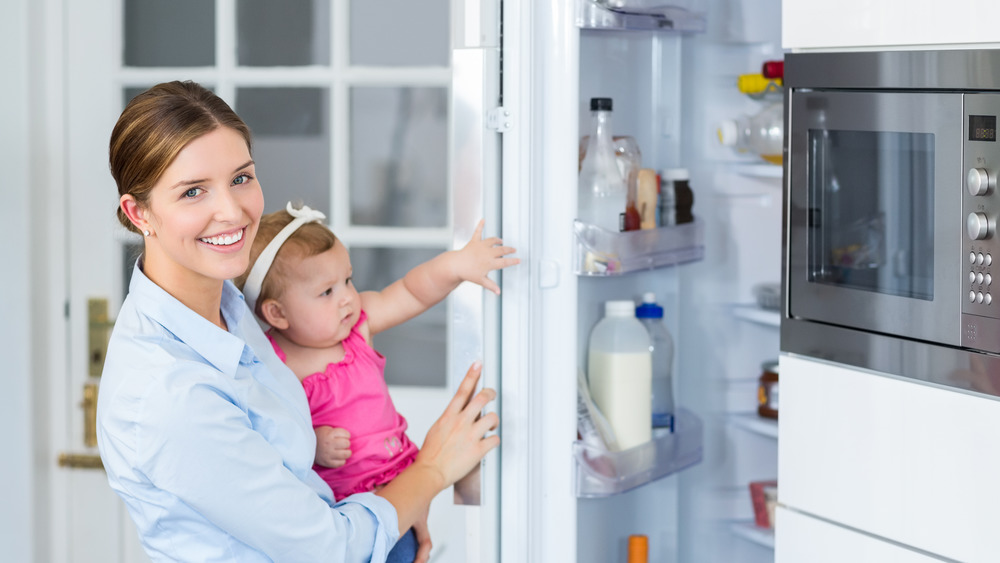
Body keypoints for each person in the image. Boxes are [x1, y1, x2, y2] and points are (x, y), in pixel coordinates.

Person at [96, 80, 500, 563]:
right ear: (139, 213)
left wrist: (399, 505)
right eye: (193, 192)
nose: (232, 212)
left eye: (241, 178)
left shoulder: (231, 304)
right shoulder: (166, 393)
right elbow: (329, 548)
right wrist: (431, 469)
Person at [232, 204, 518, 562]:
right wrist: (313, 442)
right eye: (327, 292)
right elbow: (270, 436)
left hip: (404, 491)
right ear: (277, 313)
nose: (347, 297)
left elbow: (413, 292)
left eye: (348, 280)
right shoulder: (274, 365)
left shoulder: (357, 328)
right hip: (345, 512)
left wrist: (456, 266)